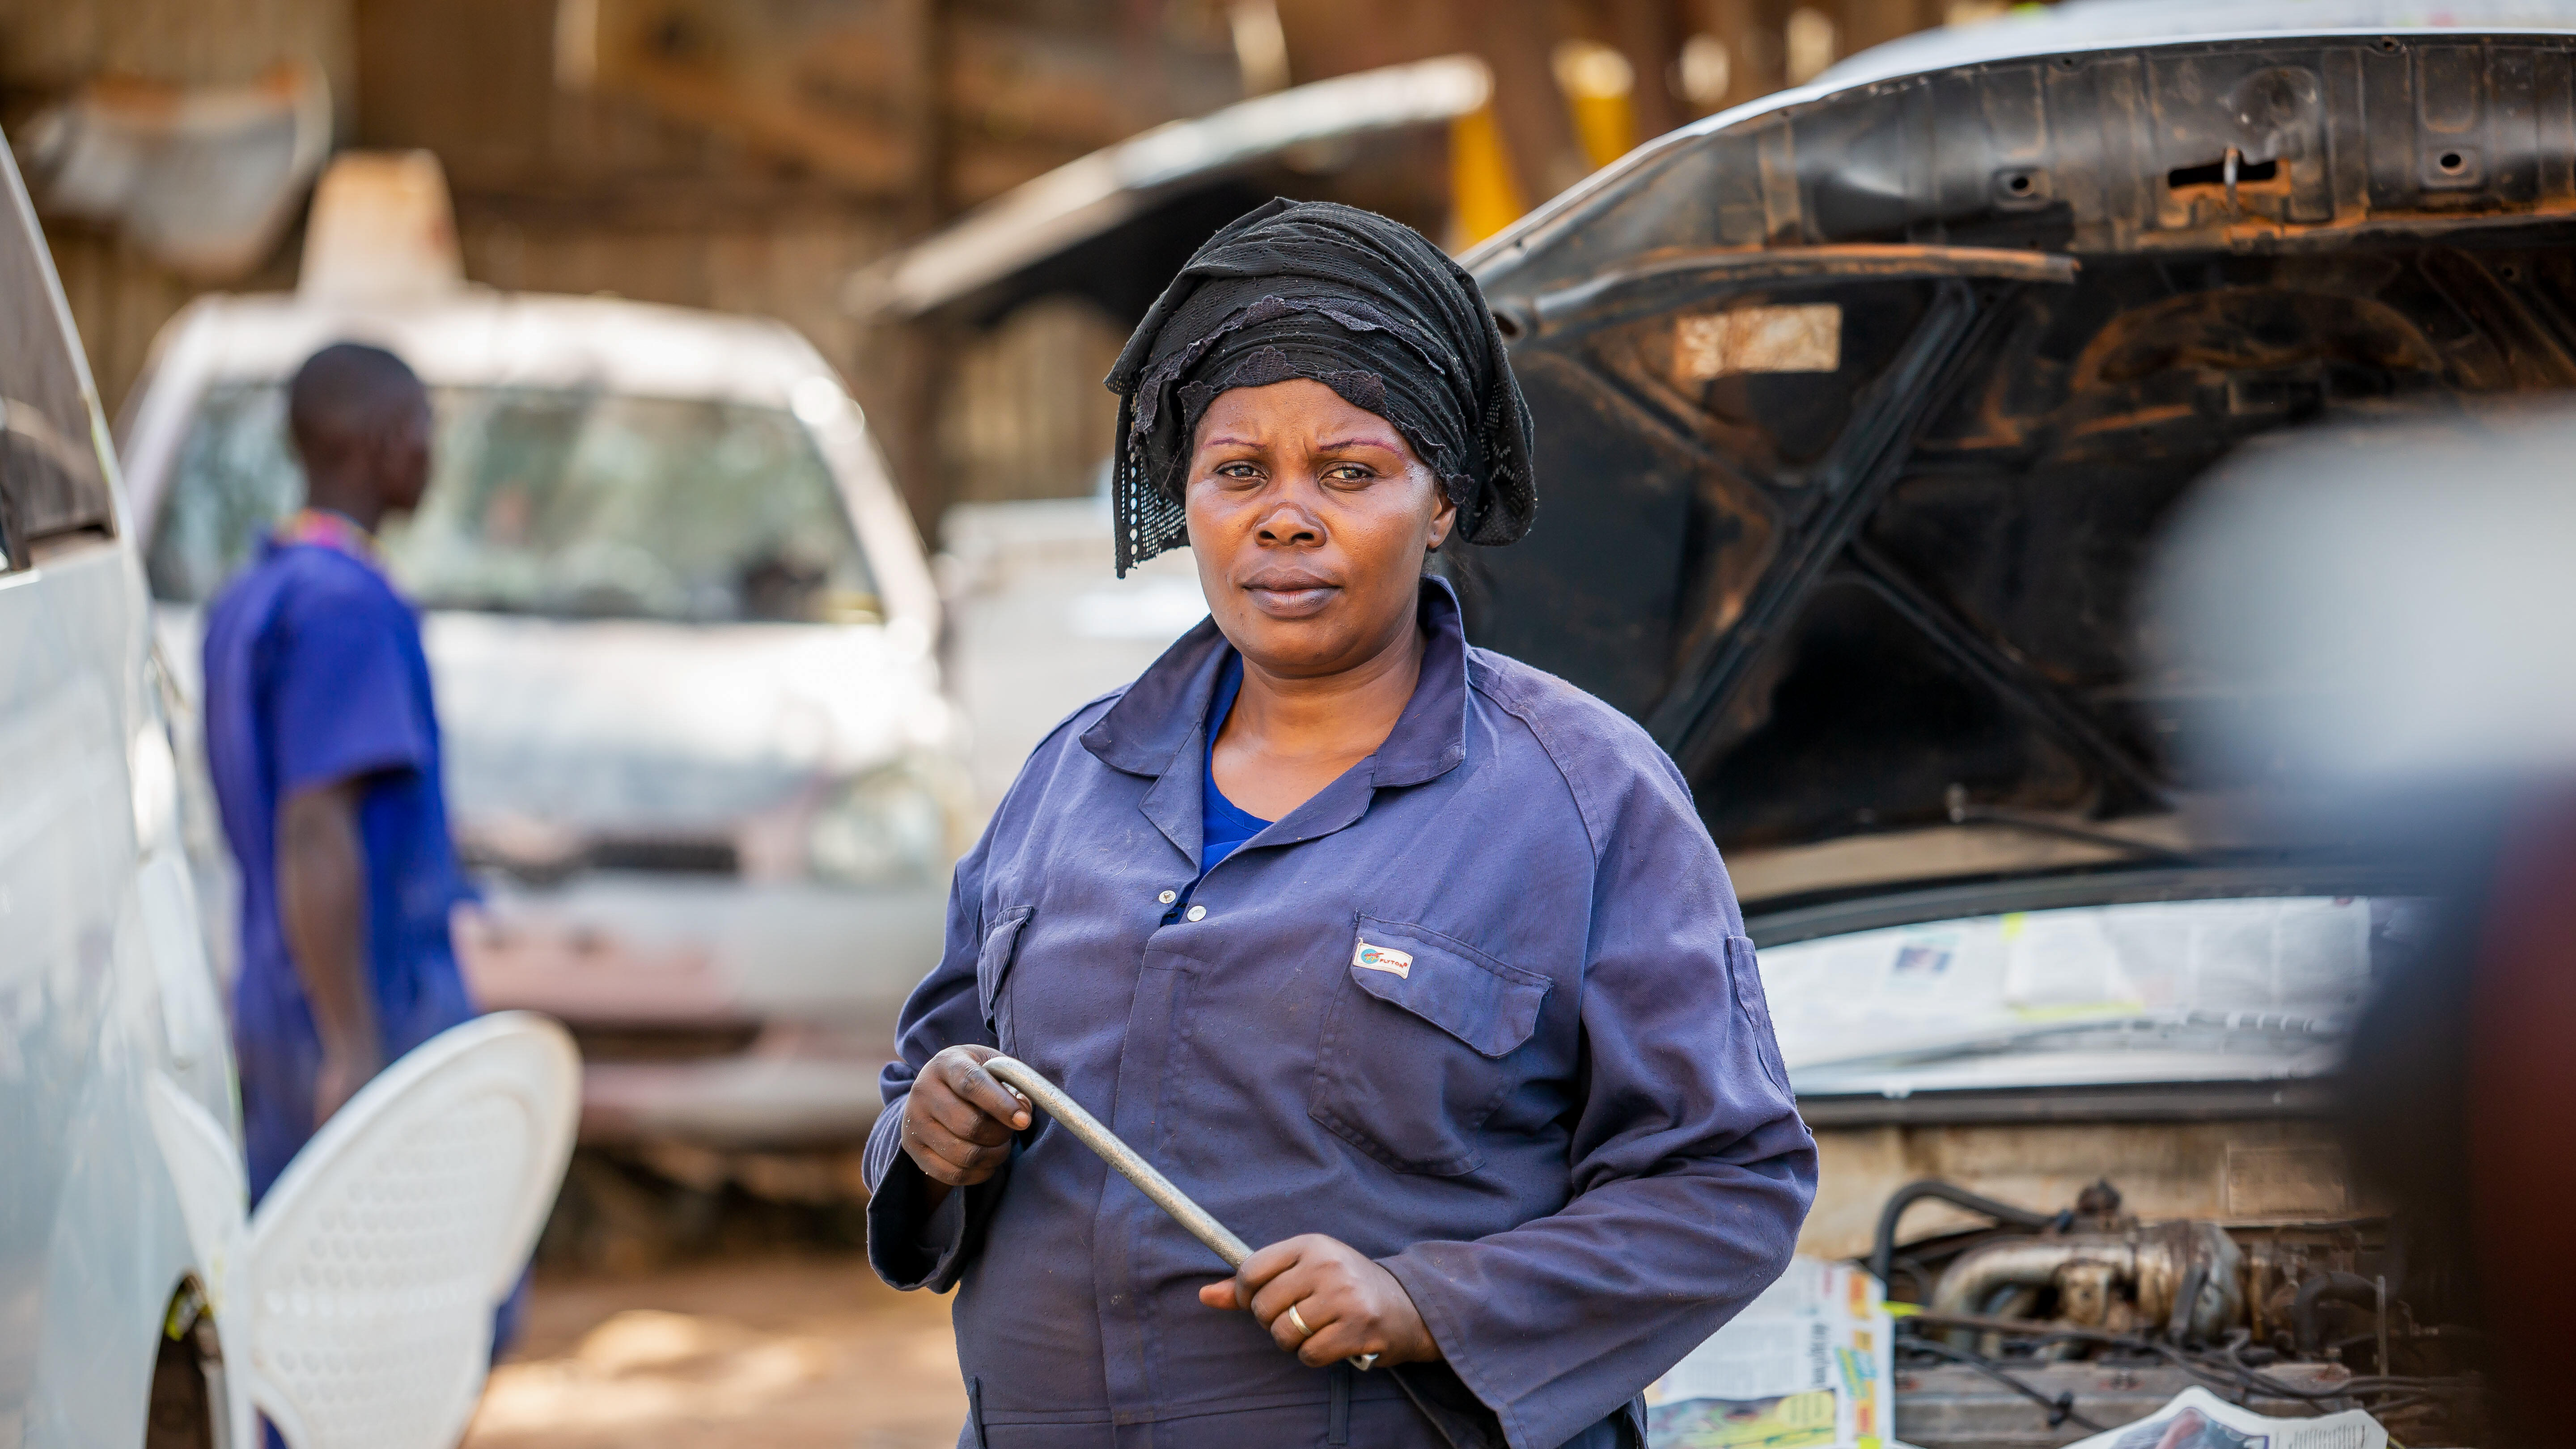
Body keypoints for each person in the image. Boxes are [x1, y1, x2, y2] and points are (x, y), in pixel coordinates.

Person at [864, 201, 1817, 1449]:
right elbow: (919, 1082)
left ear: (1441, 502)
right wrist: (926, 1136)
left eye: (1351, 472)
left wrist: (1426, 1299)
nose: (1286, 516)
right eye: (1239, 472)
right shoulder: (1068, 782)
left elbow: (1727, 1186)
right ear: (1188, 499)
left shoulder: (1583, 798)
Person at [202, 342, 479, 1204]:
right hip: (356, 1013)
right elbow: (316, 829)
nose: (434, 453)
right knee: (400, 1289)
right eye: (426, 429)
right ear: (387, 439)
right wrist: (352, 1044)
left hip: (277, 997)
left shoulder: (255, 593)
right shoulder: (344, 608)